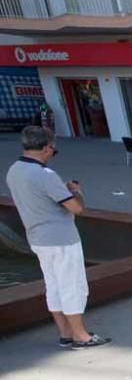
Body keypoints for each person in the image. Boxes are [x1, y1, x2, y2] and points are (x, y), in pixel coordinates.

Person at [5, 126, 109, 349]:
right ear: (46, 148)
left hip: (37, 237)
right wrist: (76, 191)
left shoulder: (14, 170)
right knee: (72, 285)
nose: (53, 154)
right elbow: (76, 208)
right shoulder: (45, 175)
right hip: (61, 239)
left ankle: (65, 334)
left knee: (53, 286)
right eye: (54, 150)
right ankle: (81, 336)